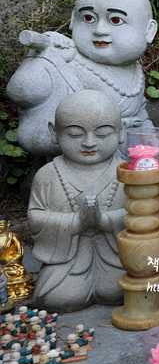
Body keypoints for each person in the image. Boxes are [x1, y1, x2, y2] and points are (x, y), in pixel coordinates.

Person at [7, 0, 157, 156]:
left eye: (115, 20)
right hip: (82, 157)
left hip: (129, 148)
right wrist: (44, 56)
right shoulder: (68, 61)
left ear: (149, 31)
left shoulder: (134, 69)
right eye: (88, 18)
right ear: (73, 20)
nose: (100, 30)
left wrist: (150, 139)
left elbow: (140, 114)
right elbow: (21, 91)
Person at [28, 90, 126, 311]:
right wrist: (75, 223)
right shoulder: (48, 175)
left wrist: (105, 220)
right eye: (74, 135)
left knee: (126, 288)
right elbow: (35, 217)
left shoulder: (126, 172)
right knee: (57, 298)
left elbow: (142, 215)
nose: (89, 143)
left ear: (121, 131)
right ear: (54, 133)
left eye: (102, 134)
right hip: (68, 262)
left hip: (115, 257)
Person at [0, 212, 33, 304]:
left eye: (1, 224)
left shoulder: (13, 237)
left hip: (11, 266)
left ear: (8, 223)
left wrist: (9, 261)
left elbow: (19, 254)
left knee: (20, 271)